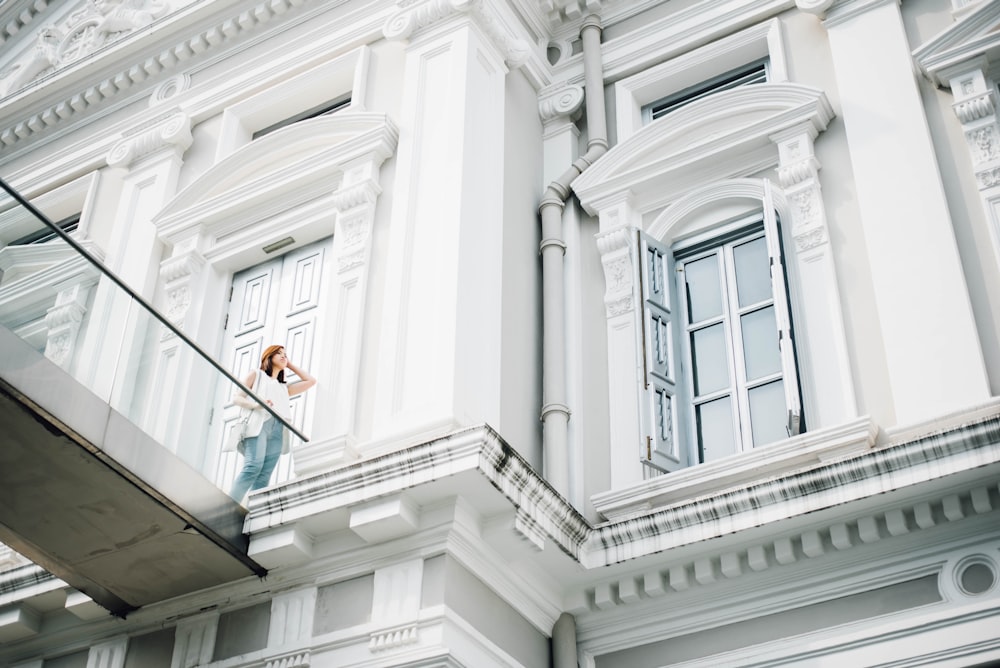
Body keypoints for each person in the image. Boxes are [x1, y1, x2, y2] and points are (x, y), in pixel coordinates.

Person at [229, 345, 316, 503]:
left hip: (278, 430)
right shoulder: (257, 374)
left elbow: (311, 381)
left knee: (264, 475)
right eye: (279, 353)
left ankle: (253, 511)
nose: (283, 356)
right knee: (252, 467)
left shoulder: (284, 388)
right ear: (269, 356)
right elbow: (237, 398)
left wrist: (288, 364)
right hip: (259, 425)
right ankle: (228, 505)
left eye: (285, 354)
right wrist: (257, 405)